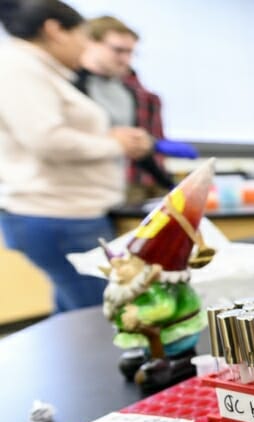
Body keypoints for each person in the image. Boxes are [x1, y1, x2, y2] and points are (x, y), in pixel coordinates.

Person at [0, 0, 152, 313]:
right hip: (57, 214)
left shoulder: (42, 71)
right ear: (54, 30)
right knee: (103, 317)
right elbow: (47, 140)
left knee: (75, 316)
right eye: (82, 36)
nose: (85, 47)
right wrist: (115, 144)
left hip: (67, 212)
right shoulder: (19, 67)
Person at [76, 15, 174, 202]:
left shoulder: (129, 91)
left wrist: (169, 184)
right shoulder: (68, 84)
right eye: (118, 50)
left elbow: (135, 146)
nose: (126, 59)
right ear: (90, 43)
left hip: (119, 186)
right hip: (79, 192)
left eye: (131, 52)